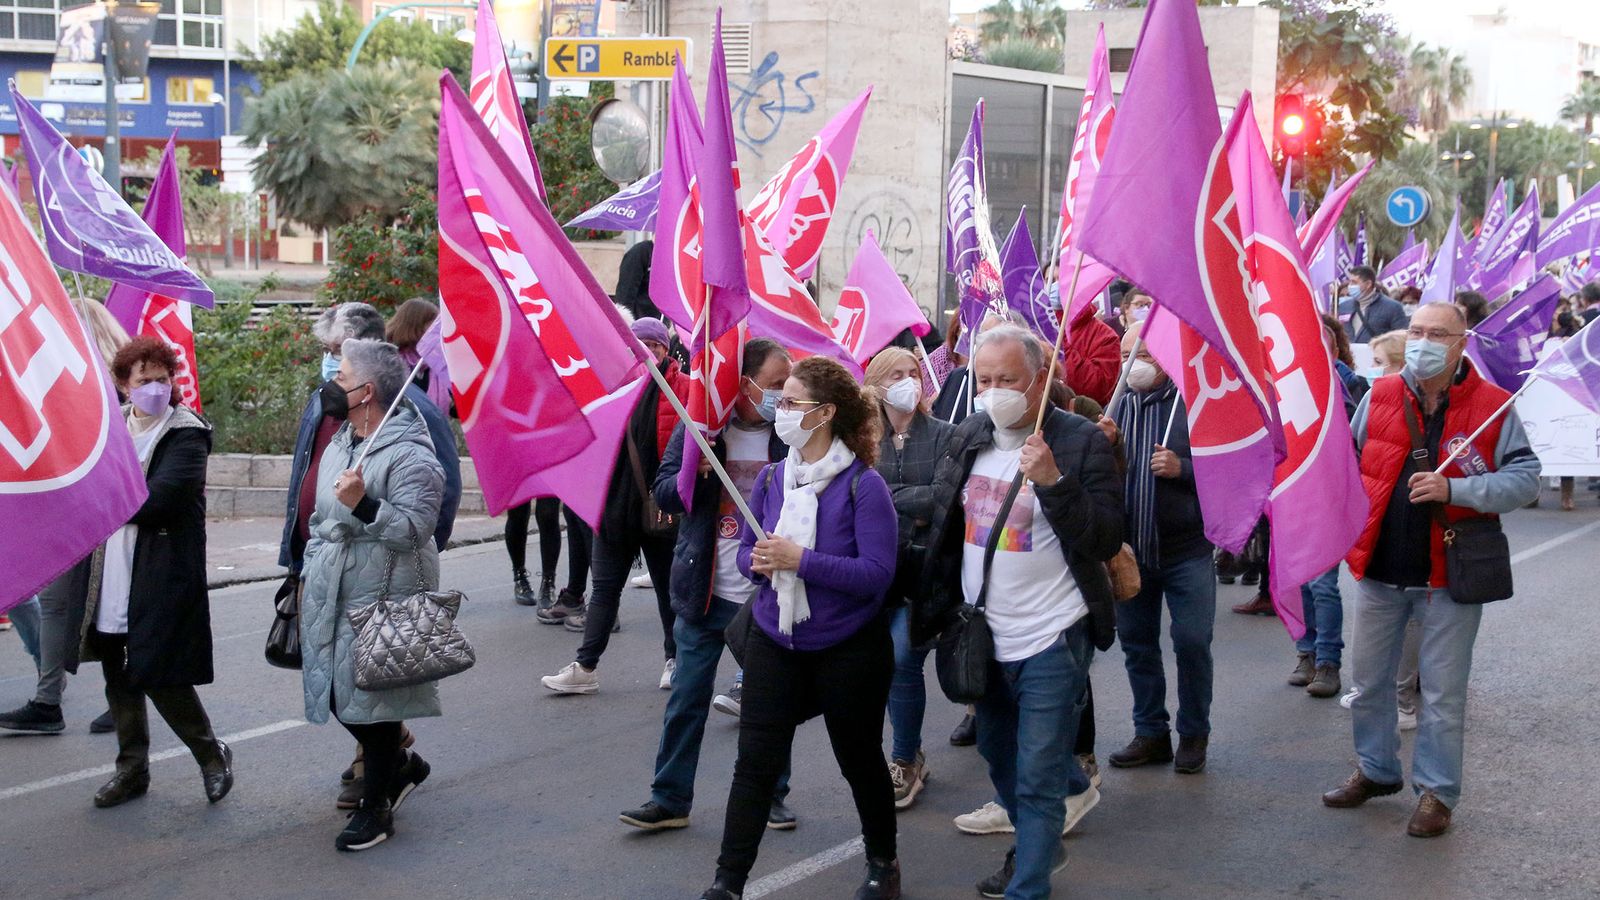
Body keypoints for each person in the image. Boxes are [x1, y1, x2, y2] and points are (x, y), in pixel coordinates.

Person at [916, 325, 1123, 898]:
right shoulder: (970, 435)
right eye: (984, 379)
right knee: (997, 754)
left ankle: (1028, 884)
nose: (993, 390)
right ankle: (1043, 840)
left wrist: (1054, 481)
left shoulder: (1080, 441)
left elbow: (1105, 536)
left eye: (1007, 379)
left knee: (1036, 775)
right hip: (985, 634)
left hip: (1052, 635)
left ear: (1039, 381)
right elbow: (941, 515)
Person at [1322, 303, 1540, 838]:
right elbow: (1348, 460)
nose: (1422, 342)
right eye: (1416, 331)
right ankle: (1375, 770)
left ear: (1460, 343)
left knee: (1441, 695)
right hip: (1379, 571)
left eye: (1435, 334)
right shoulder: (1382, 394)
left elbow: (1526, 478)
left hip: (1449, 576)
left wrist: (1457, 489)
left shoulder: (1493, 406)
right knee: (1369, 684)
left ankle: (1437, 794)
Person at [695, 355, 902, 900]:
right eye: (779, 399)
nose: (778, 409)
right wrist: (759, 563)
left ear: (826, 413)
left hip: (849, 647)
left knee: (859, 760)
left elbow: (877, 576)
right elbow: (746, 556)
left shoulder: (865, 485)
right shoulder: (770, 477)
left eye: (791, 402)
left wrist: (799, 559)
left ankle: (883, 863)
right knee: (754, 766)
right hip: (774, 638)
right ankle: (728, 883)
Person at [280, 302, 459, 810]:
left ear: (368, 393)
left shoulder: (411, 451)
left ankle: (379, 805)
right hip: (331, 584)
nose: (332, 380)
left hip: (384, 592)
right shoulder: (343, 436)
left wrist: (366, 505)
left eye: (343, 372)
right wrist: (306, 559)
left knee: (371, 705)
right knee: (338, 695)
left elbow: (415, 529)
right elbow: (316, 510)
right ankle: (398, 768)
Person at [621, 339, 797, 834]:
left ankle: (773, 796)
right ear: (743, 384)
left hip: (764, 598)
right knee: (686, 701)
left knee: (768, 706)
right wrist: (689, 477)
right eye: (777, 384)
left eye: (788, 386)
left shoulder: (789, 436)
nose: (783, 395)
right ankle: (669, 799)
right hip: (704, 591)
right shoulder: (701, 430)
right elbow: (661, 493)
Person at [83, 336, 231, 809]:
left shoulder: (186, 432)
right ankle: (131, 770)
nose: (155, 388)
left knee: (159, 671)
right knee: (119, 674)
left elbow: (161, 501)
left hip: (160, 572)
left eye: (163, 379)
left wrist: (104, 494)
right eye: (144, 380)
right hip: (112, 570)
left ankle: (211, 756)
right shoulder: (111, 430)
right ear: (124, 386)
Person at [0, 297, 130, 736]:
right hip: (67, 509)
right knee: (55, 602)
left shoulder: (118, 386)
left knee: (110, 608)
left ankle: (124, 698)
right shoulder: (64, 379)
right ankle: (47, 701)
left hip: (110, 514)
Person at [541, 318, 691, 694]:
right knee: (604, 590)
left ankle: (675, 660)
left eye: (654, 345)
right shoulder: (608, 389)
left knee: (665, 590)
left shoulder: (682, 389)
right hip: (613, 512)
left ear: (665, 349)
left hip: (660, 507)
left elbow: (696, 440)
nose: (646, 352)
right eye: (638, 345)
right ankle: (585, 667)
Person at [1098, 330, 1215, 773]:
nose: (1132, 365)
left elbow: (1228, 472)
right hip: (1131, 550)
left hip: (1187, 549)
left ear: (1166, 357)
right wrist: (1102, 448)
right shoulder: (1116, 407)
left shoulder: (1194, 404)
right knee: (1138, 645)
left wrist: (1182, 468)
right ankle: (1150, 732)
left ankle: (1193, 733)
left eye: (1143, 354)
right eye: (1125, 355)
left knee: (1191, 641)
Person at [863, 346, 954, 810]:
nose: (908, 381)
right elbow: (853, 493)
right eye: (896, 374)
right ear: (877, 384)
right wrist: (901, 502)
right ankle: (889, 753)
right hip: (873, 573)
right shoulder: (863, 436)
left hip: (925, 574)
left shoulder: (943, 434)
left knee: (903, 660)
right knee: (874, 668)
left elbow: (942, 498)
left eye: (913, 372)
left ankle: (905, 757)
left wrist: (884, 498)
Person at [386, 296, 449, 413]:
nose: (436, 331)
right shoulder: (390, 361)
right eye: (431, 325)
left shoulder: (433, 362)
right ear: (416, 326)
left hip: (429, 428)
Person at [1339, 266, 1409, 343]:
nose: (1350, 286)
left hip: (1377, 354)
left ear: (1368, 284)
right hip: (1349, 353)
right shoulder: (1343, 307)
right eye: (1350, 282)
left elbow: (1402, 338)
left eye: (1354, 282)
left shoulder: (1392, 307)